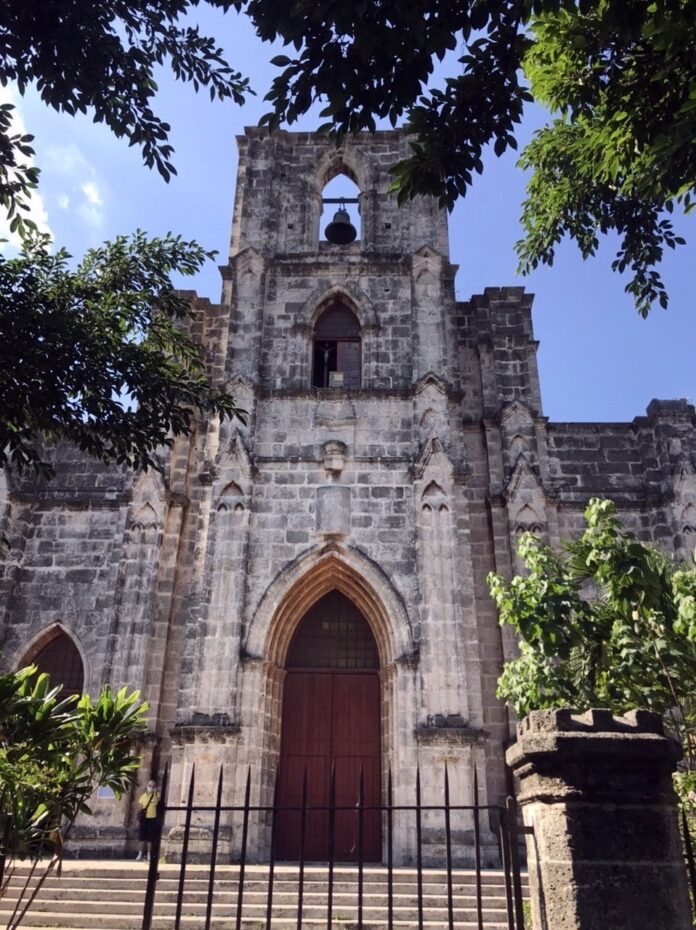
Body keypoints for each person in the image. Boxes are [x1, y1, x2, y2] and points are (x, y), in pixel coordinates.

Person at [135, 777, 160, 861]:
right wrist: (138, 819)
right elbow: (140, 807)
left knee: (150, 838)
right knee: (141, 837)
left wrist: (155, 792)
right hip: (144, 819)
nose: (150, 787)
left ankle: (149, 853)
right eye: (149, 785)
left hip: (152, 818)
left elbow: (157, 802)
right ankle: (140, 853)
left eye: (152, 786)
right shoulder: (143, 796)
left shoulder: (156, 795)